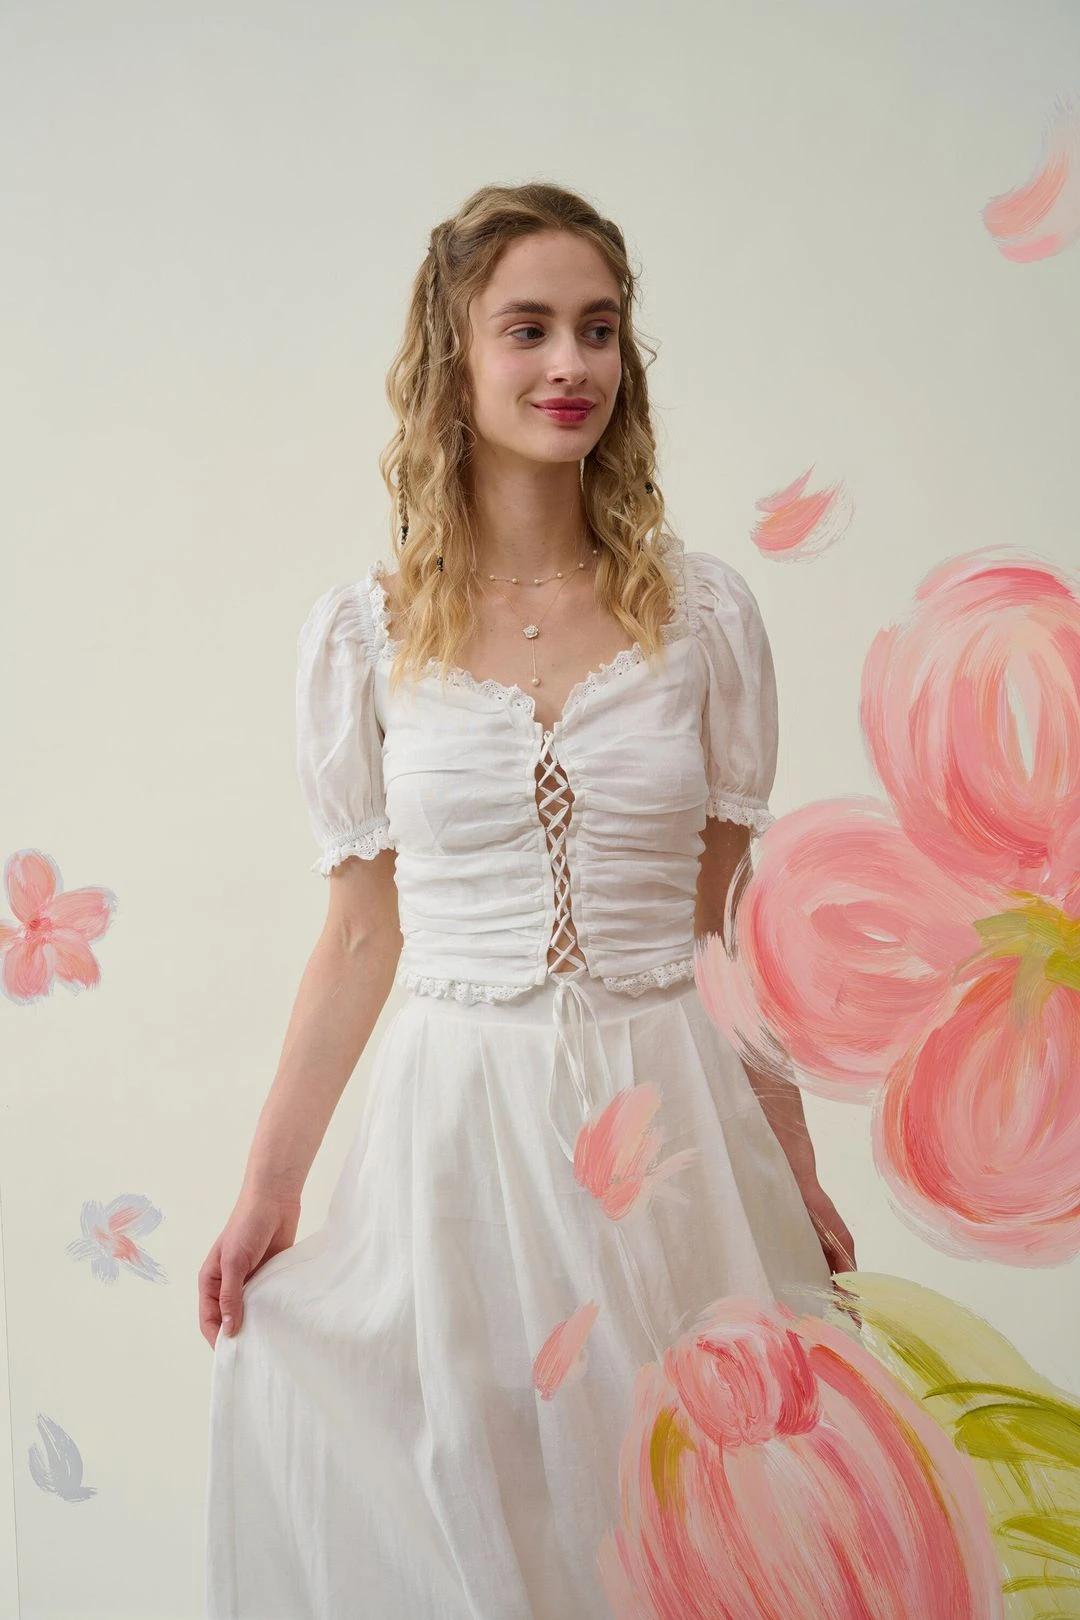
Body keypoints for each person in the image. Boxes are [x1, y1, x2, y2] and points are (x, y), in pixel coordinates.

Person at [200, 181, 855, 1620]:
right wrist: (268, 1189)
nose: (572, 365)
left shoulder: (704, 616)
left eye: (600, 330)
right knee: (492, 1503)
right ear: (455, 354)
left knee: (696, 1508)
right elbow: (358, 933)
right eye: (531, 328)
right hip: (459, 1132)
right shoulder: (366, 635)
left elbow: (723, 929)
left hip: (669, 1117)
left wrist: (795, 1167)